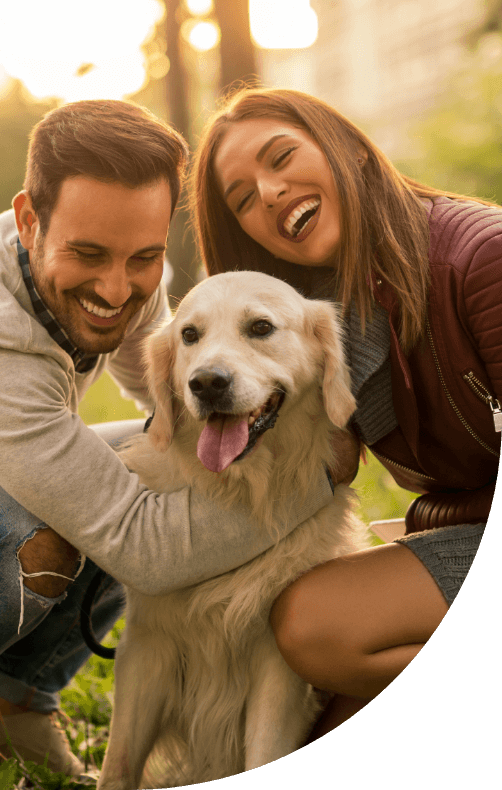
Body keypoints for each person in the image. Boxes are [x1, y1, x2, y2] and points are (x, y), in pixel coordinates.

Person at [0, 99, 336, 774]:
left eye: (142, 258)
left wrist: (277, 427)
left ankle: (2, 713)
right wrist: (319, 474)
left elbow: (168, 415)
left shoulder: (113, 250)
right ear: (29, 219)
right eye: (88, 255)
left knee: (139, 455)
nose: (118, 290)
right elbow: (142, 548)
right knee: (16, 529)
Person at [190, 87, 501, 739]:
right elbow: (321, 469)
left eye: (280, 157)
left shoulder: (481, 259)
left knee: (314, 623)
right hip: (452, 528)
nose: (268, 191)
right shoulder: (327, 317)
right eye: (242, 198)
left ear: (351, 150)